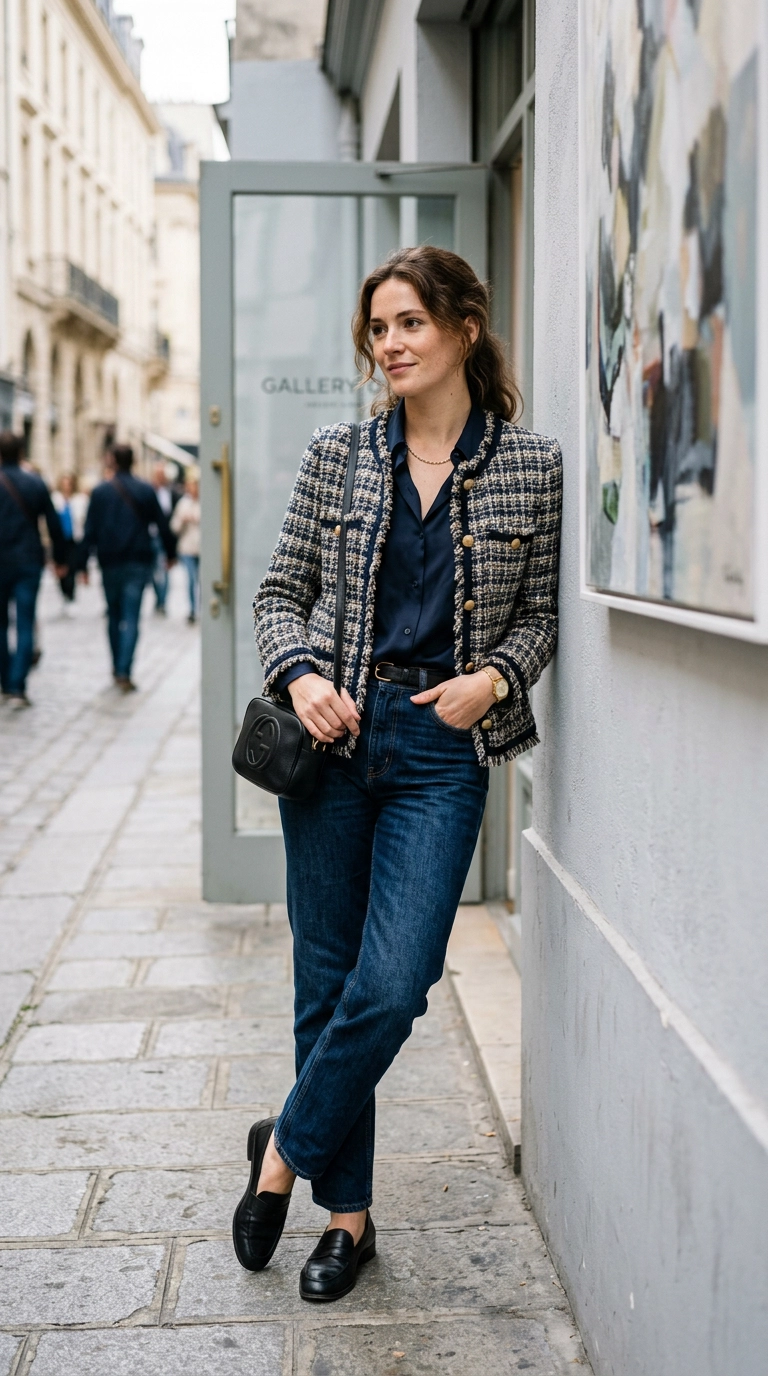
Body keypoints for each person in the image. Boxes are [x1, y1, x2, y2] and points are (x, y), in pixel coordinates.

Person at [233, 246, 563, 1302]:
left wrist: (494, 679)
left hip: (440, 748)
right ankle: (349, 1217)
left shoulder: (532, 466)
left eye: (411, 322)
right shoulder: (337, 453)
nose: (392, 344)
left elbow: (543, 612)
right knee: (325, 980)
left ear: (465, 327)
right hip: (332, 736)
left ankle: (282, 1149)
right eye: (379, 328)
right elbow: (278, 590)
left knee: (393, 982)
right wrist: (296, 676)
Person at [79, 444, 176, 691]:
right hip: (137, 560)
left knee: (113, 614)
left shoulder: (100, 491)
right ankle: (124, 670)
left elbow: (89, 530)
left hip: (109, 561)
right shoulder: (145, 489)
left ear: (112, 460)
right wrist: (170, 553)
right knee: (131, 617)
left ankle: (116, 665)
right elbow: (162, 524)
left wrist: (81, 565)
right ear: (133, 461)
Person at [0, 431, 69, 706]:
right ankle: (18, 684)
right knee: (26, 621)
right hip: (28, 561)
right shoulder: (35, 483)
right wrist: (61, 560)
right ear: (22, 453)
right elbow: (53, 524)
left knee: (1, 623)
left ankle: (5, 680)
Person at [52, 472, 89, 604]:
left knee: (72, 567)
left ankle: (70, 594)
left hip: (74, 538)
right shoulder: (55, 499)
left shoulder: (80, 500)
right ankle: (64, 592)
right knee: (61, 567)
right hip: (59, 540)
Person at [170, 471, 201, 622]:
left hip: (203, 549)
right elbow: (174, 527)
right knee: (190, 579)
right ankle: (193, 609)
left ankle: (202, 608)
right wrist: (182, 520)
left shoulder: (206, 502)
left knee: (202, 580)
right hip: (187, 548)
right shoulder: (183, 503)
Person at [150, 461, 174, 615]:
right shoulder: (148, 492)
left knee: (164, 572)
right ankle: (158, 598)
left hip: (164, 538)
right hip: (150, 536)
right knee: (152, 572)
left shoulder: (171, 493)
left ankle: (163, 602)